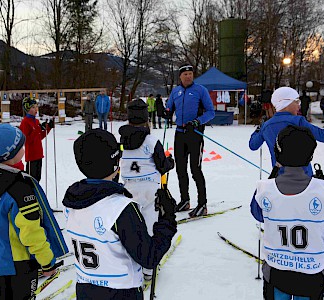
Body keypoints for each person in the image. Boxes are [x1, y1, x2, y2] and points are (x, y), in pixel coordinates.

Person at [63, 129, 177, 300]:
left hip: (85, 289)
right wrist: (167, 220)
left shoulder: (72, 202)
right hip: (121, 292)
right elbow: (148, 257)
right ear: (115, 164)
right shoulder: (121, 209)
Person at [0, 124, 67, 300]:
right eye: (21, 146)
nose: (24, 148)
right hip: (21, 262)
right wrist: (47, 262)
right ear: (12, 153)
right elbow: (31, 232)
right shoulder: (20, 188)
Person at [250, 125, 324, 300]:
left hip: (276, 274)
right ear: (310, 156)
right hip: (310, 277)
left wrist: (274, 172)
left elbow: (257, 214)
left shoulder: (264, 188)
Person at [119, 98, 175, 281]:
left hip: (129, 189)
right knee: (150, 225)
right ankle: (149, 269)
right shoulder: (151, 139)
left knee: (132, 226)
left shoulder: (122, 140)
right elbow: (162, 165)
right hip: (150, 190)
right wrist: (170, 162)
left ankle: (130, 261)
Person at [249, 87, 324, 177]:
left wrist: (259, 129)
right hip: (304, 178)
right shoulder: (298, 121)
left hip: (279, 180)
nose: (299, 105)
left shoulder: (267, 126)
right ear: (286, 103)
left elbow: (253, 145)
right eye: (297, 101)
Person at [165, 63, 215, 217]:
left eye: (190, 74)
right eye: (185, 74)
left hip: (195, 134)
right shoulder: (176, 91)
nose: (188, 76)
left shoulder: (200, 90)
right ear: (180, 76)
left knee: (195, 169)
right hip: (179, 134)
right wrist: (166, 112)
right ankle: (185, 200)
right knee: (180, 169)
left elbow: (211, 112)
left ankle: (202, 204)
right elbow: (169, 108)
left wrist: (197, 122)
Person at [19, 97, 54, 182]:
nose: (36, 109)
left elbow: (40, 137)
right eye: (33, 107)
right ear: (27, 109)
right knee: (31, 179)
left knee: (37, 179)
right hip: (31, 156)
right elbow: (26, 140)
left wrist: (48, 127)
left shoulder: (36, 121)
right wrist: (37, 129)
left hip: (39, 154)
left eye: (36, 107)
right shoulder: (25, 122)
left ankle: (36, 193)